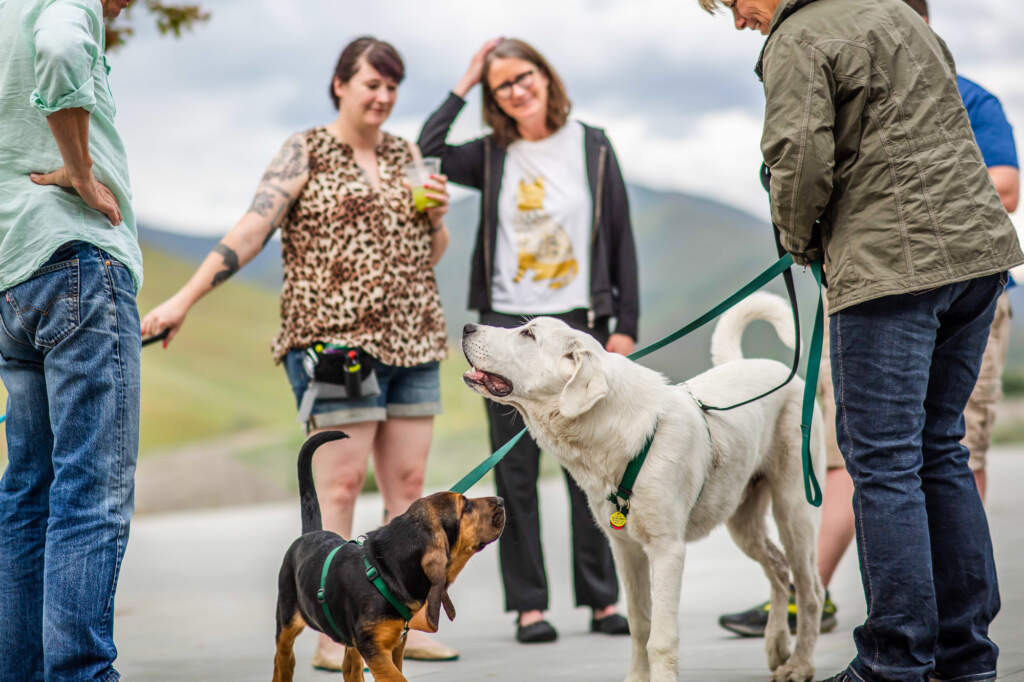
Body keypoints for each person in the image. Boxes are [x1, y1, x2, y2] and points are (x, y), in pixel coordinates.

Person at [699, 0, 1023, 680]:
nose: (735, 20)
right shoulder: (899, 14)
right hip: (977, 263)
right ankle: (966, 660)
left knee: (883, 463)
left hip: (888, 269)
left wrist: (797, 241)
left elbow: (798, 157)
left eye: (730, 2)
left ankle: (892, 662)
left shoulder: (799, 36)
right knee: (940, 451)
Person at [140, 36, 459, 667]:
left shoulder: (405, 153)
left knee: (410, 486)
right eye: (372, 83)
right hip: (334, 343)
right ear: (340, 83)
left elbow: (429, 253)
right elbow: (254, 228)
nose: (384, 97)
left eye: (393, 87)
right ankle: (330, 635)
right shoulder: (306, 149)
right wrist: (183, 299)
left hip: (415, 335)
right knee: (339, 483)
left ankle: (401, 627)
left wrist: (439, 219)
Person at [418, 37, 639, 644]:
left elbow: (618, 231)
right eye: (501, 86)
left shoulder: (591, 145)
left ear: (545, 76)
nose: (516, 91)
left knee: (593, 469)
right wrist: (463, 81)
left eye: (523, 77)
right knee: (514, 473)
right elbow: (423, 150)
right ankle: (530, 606)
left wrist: (624, 327)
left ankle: (601, 599)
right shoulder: (491, 154)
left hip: (576, 327)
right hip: (507, 332)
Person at [0, 1, 143, 680]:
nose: (119, 8)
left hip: (11, 277)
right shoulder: (63, 5)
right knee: (91, 492)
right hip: (76, 266)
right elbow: (60, 48)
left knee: (29, 489)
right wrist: (82, 172)